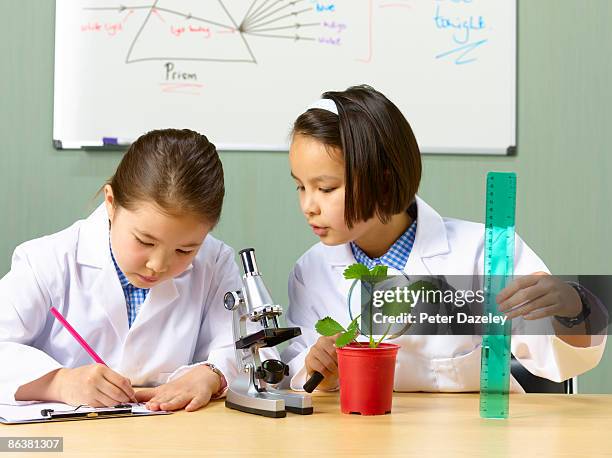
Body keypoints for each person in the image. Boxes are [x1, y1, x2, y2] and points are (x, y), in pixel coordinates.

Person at [281, 85, 606, 392]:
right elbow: (300, 366)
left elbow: (557, 359)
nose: (308, 206)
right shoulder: (311, 269)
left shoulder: (483, 252)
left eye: (325, 188)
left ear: (381, 183)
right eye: (300, 186)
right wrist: (318, 369)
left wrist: (574, 308)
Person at [0, 129, 239, 411]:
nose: (158, 265)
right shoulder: (46, 261)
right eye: (145, 241)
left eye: (185, 250)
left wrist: (212, 374)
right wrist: (59, 383)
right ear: (111, 203)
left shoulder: (215, 262)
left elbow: (255, 351)